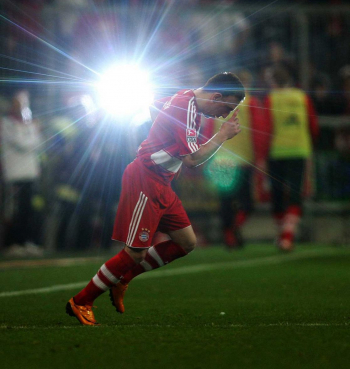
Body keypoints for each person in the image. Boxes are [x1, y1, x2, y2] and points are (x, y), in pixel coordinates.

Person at [66, 72, 245, 326]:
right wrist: (223, 135)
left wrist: (161, 141)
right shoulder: (186, 107)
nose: (224, 115)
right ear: (216, 96)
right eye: (226, 107)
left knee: (186, 243)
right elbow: (193, 160)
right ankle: (82, 300)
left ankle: (123, 279)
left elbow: (154, 106)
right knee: (135, 253)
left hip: (161, 182)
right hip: (146, 179)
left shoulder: (185, 97)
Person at [263, 66, 319, 252]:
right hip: (300, 150)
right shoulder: (302, 97)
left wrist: (262, 153)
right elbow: (313, 125)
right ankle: (287, 236)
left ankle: (283, 235)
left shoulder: (272, 98)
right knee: (296, 193)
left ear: (273, 82)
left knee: (277, 194)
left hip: (277, 151)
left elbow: (266, 127)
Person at [209, 70, 264, 248]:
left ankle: (229, 233)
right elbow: (259, 132)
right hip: (244, 160)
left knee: (226, 201)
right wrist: (260, 156)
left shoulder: (219, 102)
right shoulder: (252, 103)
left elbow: (208, 131)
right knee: (247, 203)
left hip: (221, 160)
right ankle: (233, 230)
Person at [0, 89, 43, 257]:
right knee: (14, 211)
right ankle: (12, 243)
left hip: (30, 174)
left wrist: (32, 130)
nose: (23, 106)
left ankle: (25, 241)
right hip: (14, 174)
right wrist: (34, 131)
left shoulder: (27, 125)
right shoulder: (6, 123)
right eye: (20, 102)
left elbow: (38, 144)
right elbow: (24, 144)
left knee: (27, 210)